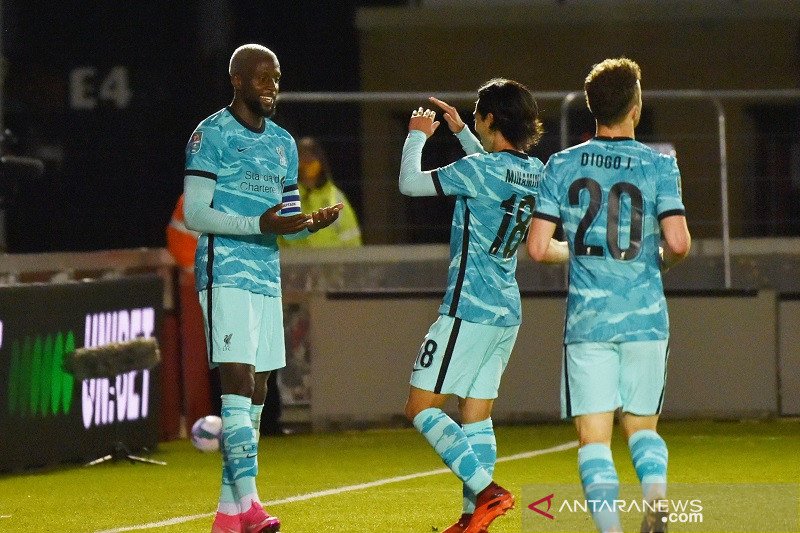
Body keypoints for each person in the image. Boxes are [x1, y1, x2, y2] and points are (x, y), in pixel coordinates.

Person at [526, 57, 691, 532]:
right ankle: (655, 504)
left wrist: (577, 251)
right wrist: (657, 261)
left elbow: (537, 248)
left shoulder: (561, 164)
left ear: (592, 107)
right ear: (635, 107)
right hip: (645, 318)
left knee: (594, 440)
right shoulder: (659, 165)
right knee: (642, 429)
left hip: (588, 324)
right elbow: (678, 243)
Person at [183, 43, 342, 533]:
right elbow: (195, 214)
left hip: (265, 275)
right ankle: (251, 504)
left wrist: (308, 223)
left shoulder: (283, 143)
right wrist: (257, 224)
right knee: (237, 379)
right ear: (236, 80)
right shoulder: (210, 134)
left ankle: (228, 515)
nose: (272, 87)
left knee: (258, 388)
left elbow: (285, 223)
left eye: (276, 78)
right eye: (261, 78)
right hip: (225, 271)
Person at [399, 79, 545, 533]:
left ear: (491, 119)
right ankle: (472, 519)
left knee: (421, 408)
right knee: (475, 417)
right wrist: (463, 132)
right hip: (506, 311)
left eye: (478, 112)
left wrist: (417, 135)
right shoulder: (535, 170)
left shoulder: (477, 170)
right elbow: (495, 172)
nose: (473, 117)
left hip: (469, 309)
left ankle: (487, 492)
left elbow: (409, 184)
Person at [279, 136, 362, 248]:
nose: (308, 159)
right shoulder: (285, 197)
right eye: (302, 155)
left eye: (312, 154)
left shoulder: (335, 197)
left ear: (321, 161)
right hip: (296, 259)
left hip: (331, 259)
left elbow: (352, 238)